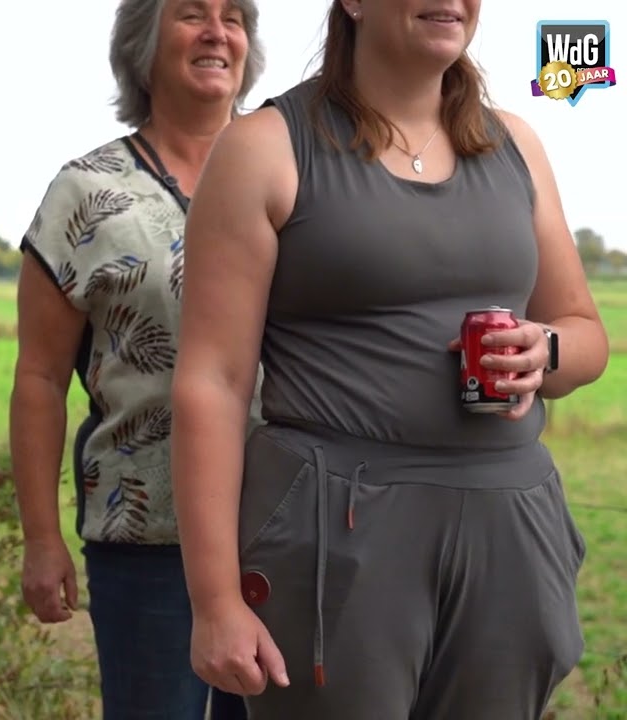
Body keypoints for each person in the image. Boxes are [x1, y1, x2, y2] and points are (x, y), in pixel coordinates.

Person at [170, 0, 608, 718]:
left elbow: (585, 333)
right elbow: (212, 384)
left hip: (510, 526)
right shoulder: (266, 147)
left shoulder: (518, 146)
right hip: (337, 528)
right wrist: (214, 600)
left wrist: (546, 350)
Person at [9, 0, 264, 717]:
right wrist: (40, 538)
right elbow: (38, 379)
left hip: (290, 530)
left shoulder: (296, 169)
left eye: (235, 17)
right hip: (148, 539)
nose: (218, 31)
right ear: (142, 45)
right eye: (192, 14)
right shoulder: (84, 193)